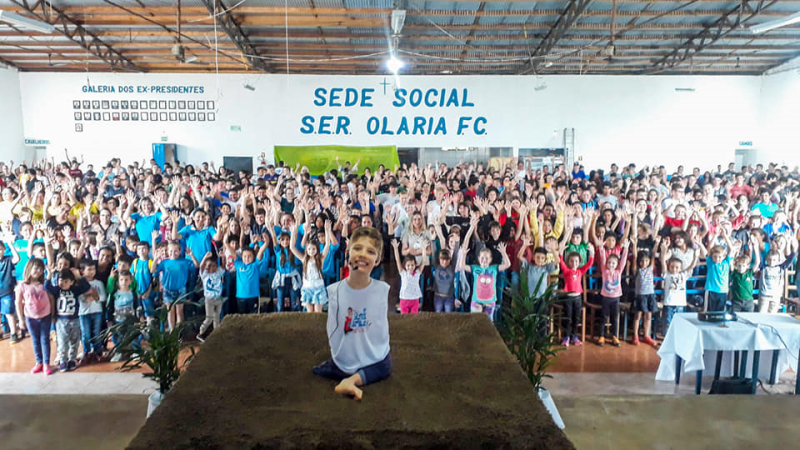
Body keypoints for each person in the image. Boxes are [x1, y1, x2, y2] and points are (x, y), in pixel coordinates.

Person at [312, 227, 391, 401]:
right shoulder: (335, 292)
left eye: (370, 251)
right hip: (344, 359)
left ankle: (349, 380)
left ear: (377, 260)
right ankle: (343, 371)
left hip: (373, 357)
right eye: (357, 248)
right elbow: (332, 330)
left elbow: (380, 331)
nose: (362, 255)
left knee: (385, 365)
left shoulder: (382, 290)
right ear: (348, 252)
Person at [45, 268, 94, 372]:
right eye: (60, 280)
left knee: (74, 341)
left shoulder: (75, 290)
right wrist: (49, 274)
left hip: (75, 319)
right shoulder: (57, 290)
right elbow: (47, 287)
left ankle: (72, 359)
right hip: (61, 321)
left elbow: (87, 288)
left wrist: (79, 277)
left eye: (66, 281)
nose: (62, 283)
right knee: (62, 342)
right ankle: (63, 360)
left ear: (72, 282)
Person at [15, 258, 54, 375]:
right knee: (35, 340)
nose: (38, 271)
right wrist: (21, 320)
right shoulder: (22, 285)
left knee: (45, 340)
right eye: (36, 268)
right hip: (30, 317)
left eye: (41, 269)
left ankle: (46, 363)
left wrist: (53, 314)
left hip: (45, 316)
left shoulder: (45, 284)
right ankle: (39, 362)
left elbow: (51, 299)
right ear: (29, 269)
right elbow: (18, 303)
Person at [457, 243, 510, 319]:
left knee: (488, 323)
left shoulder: (494, 268)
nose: (484, 260)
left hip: (490, 301)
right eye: (482, 258)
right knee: (476, 321)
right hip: (476, 301)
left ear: (490, 259)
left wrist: (503, 252)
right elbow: (462, 266)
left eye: (487, 258)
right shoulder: (475, 268)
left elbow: (507, 264)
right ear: (478, 258)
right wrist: (464, 254)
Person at [152, 241, 194, 330]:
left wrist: (191, 256)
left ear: (180, 251)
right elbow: (153, 270)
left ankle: (177, 333)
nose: (173, 253)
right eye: (170, 251)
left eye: (175, 251)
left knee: (179, 312)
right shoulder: (164, 262)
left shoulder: (184, 261)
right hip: (167, 289)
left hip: (180, 289)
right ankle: (172, 332)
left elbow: (196, 265)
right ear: (168, 251)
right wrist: (155, 259)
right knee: (170, 311)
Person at [596, 239, 629, 347]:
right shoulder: (604, 270)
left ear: (617, 264)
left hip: (616, 298)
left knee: (615, 318)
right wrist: (601, 248)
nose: (611, 264)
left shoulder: (618, 271)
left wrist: (626, 249)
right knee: (604, 317)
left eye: (613, 263)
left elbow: (623, 260)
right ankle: (601, 336)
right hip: (605, 297)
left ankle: (615, 336)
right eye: (609, 262)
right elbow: (602, 258)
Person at [660, 240, 697, 331]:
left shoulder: (683, 275)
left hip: (680, 303)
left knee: (679, 322)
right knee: (667, 322)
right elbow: (663, 262)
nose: (674, 269)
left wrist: (696, 256)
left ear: (680, 268)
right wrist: (664, 249)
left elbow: (691, 266)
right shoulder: (667, 274)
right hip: (669, 303)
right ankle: (666, 339)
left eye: (677, 267)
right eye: (672, 267)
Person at [78, 260, 106, 363]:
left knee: (96, 333)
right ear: (82, 271)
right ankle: (87, 352)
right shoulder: (79, 283)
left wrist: (96, 298)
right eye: (89, 269)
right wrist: (86, 297)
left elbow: (103, 297)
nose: (91, 272)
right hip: (83, 312)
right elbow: (78, 297)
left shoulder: (98, 283)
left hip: (97, 311)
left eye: (93, 269)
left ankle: (98, 352)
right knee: (86, 334)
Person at [194, 252, 225, 341]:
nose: (212, 267)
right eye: (209, 266)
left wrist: (223, 257)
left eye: (214, 265)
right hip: (209, 299)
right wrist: (205, 257)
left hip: (218, 298)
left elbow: (223, 266)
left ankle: (216, 335)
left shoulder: (218, 272)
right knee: (209, 318)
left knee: (217, 317)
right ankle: (201, 333)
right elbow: (201, 267)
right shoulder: (205, 275)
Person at [631, 245, 658, 347]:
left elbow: (653, 255)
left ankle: (646, 335)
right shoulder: (637, 270)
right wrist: (635, 244)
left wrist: (656, 244)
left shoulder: (650, 269)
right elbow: (634, 257)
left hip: (650, 295)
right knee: (638, 316)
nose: (644, 263)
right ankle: (635, 335)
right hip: (640, 296)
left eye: (646, 261)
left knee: (648, 316)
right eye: (642, 261)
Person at [391, 238, 426, 314]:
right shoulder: (403, 273)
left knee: (414, 318)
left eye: (412, 265)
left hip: (415, 299)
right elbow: (397, 260)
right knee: (404, 318)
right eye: (408, 265)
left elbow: (423, 261)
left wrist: (424, 249)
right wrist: (396, 249)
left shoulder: (417, 272)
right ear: (405, 265)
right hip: (404, 299)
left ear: (415, 264)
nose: (410, 267)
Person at [704, 228, 735, 312]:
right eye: (715, 257)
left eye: (719, 257)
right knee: (709, 312)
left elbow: (731, 249)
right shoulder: (710, 262)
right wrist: (715, 235)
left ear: (724, 256)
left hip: (723, 291)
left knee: (720, 312)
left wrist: (725, 235)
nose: (717, 259)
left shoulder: (726, 262)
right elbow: (709, 248)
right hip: (711, 290)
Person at [759, 249, 796, 313]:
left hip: (776, 296)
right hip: (764, 295)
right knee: (762, 313)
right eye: (769, 259)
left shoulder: (781, 268)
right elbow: (759, 259)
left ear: (778, 260)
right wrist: (756, 248)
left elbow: (789, 261)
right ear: (766, 260)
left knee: (773, 314)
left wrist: (794, 251)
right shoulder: (764, 268)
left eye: (774, 260)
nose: (772, 262)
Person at [0, 234, 22, 344]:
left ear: (3, 249)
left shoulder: (8, 260)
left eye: (0, 249)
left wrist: (10, 244)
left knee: (9, 314)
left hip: (7, 292)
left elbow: (17, 258)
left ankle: (14, 333)